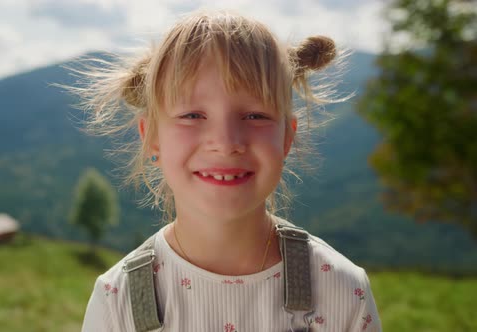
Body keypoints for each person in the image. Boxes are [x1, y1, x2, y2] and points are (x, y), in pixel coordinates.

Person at [70, 9, 381, 332]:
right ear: (152, 138)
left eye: (255, 115)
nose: (226, 142)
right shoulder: (118, 301)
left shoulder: (342, 292)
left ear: (287, 137)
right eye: (192, 114)